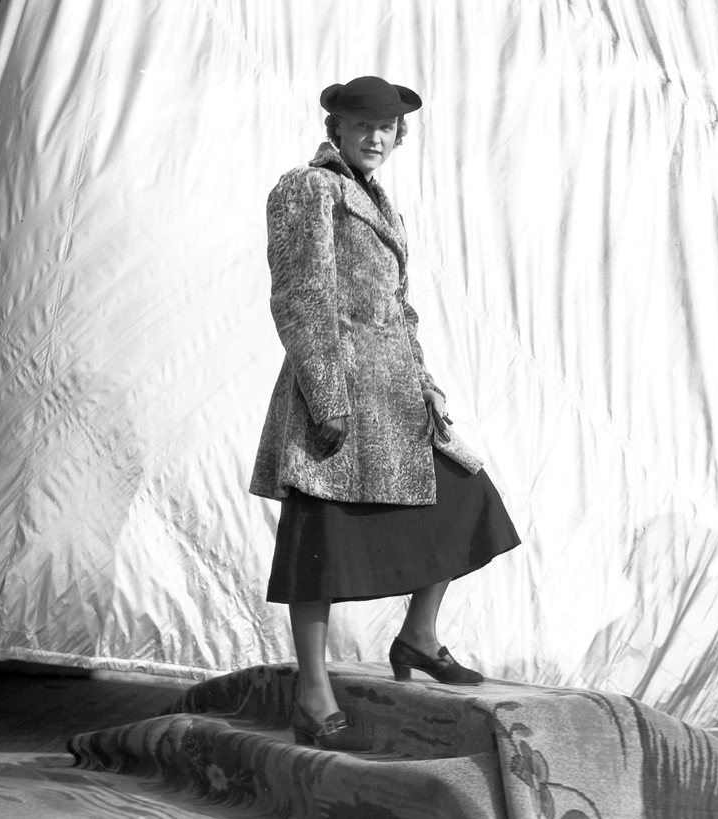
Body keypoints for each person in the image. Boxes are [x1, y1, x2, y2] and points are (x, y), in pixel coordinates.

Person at [250, 76, 520, 750]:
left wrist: (426, 385)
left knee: (465, 498)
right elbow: (300, 296)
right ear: (336, 127)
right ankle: (313, 695)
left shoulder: (376, 199)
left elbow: (399, 309)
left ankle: (418, 636)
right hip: (337, 390)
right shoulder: (307, 188)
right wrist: (326, 394)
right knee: (319, 540)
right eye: (363, 124)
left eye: (387, 127)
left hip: (394, 395)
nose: (376, 136)